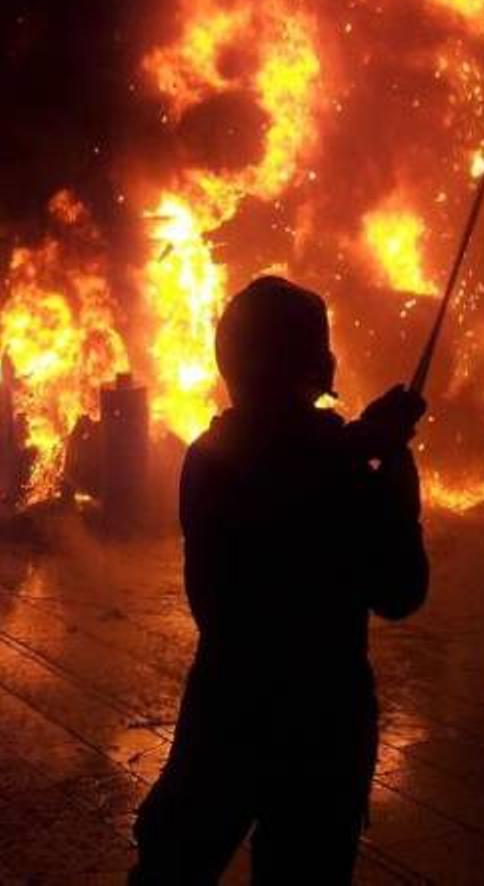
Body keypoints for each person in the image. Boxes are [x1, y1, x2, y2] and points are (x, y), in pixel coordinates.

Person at [132, 275, 429, 884]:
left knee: (172, 869)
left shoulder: (207, 456)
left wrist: (364, 446)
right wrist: (393, 479)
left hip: (225, 706)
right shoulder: (338, 467)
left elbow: (279, 463)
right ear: (316, 364)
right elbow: (400, 591)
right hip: (323, 720)